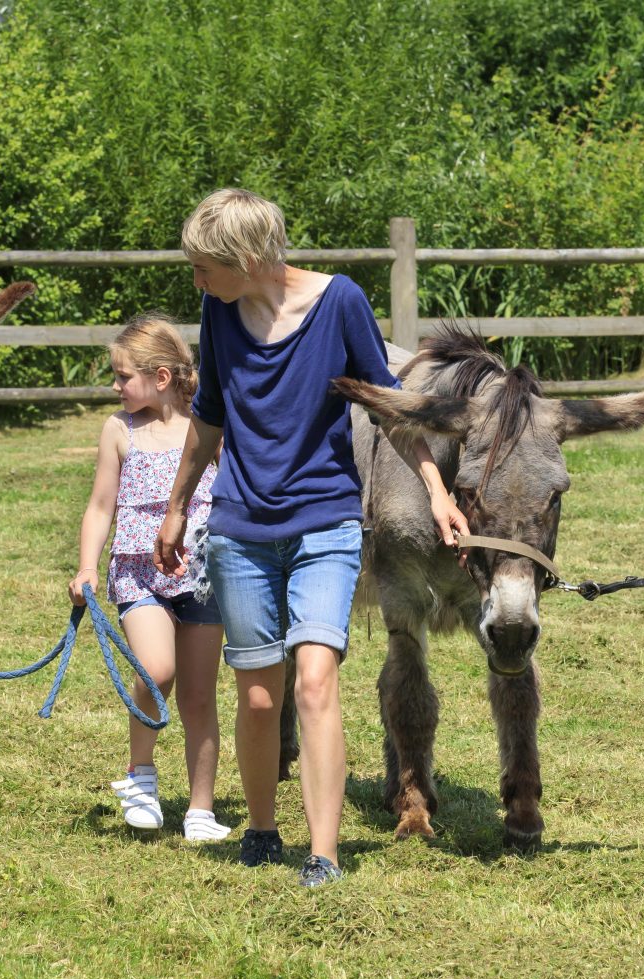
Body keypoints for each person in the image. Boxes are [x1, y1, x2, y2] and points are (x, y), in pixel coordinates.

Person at [155, 188, 469, 887]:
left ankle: (323, 852)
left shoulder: (341, 302)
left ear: (245, 257)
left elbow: (389, 407)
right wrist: (178, 506)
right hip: (240, 525)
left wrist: (439, 493)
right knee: (260, 694)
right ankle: (263, 830)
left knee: (317, 679)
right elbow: (208, 415)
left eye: (204, 266)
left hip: (325, 520)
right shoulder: (220, 309)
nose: (196, 281)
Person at [68, 314, 230, 842]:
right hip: (138, 572)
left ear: (161, 377)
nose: (115, 387)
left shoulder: (207, 427)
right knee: (157, 670)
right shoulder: (120, 429)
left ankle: (201, 811)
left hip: (202, 576)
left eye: (123, 377)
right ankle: (141, 777)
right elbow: (99, 507)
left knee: (200, 697)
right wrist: (88, 566)